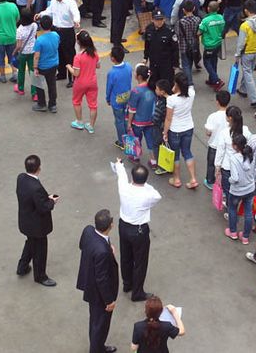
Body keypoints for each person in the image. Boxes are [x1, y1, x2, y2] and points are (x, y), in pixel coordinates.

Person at [112, 159, 161, 302]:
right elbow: (157, 195)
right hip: (139, 230)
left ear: (132, 177)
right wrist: (145, 184)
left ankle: (127, 284)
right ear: (145, 180)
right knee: (140, 261)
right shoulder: (148, 194)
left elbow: (121, 175)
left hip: (124, 226)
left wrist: (119, 164)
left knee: (126, 257)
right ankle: (137, 292)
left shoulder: (124, 188)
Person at [76, 209, 120, 353]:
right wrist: (109, 301)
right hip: (99, 294)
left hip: (89, 285)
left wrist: (107, 249)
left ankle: (99, 347)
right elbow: (102, 278)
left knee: (95, 322)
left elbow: (82, 245)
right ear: (111, 225)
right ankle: (97, 349)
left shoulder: (88, 231)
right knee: (100, 325)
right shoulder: (102, 251)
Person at [16, 154, 58, 286]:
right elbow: (43, 207)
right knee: (40, 250)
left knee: (30, 243)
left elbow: (34, 198)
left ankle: (22, 267)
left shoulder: (21, 178)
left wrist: (45, 197)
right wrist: (52, 201)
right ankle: (40, 276)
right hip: (37, 226)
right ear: (39, 168)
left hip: (26, 221)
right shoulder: (36, 188)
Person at [163, 72, 198, 189]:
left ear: (177, 84)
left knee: (176, 154)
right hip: (188, 127)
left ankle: (176, 179)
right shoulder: (192, 93)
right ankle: (193, 178)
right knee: (187, 152)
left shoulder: (172, 100)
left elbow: (168, 118)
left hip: (175, 130)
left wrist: (165, 132)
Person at [43, 0, 81, 88]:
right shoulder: (54, 0)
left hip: (67, 31)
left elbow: (76, 14)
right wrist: (41, 14)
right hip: (56, 30)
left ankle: (72, 78)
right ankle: (61, 73)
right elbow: (49, 11)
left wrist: (76, 21)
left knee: (69, 55)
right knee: (59, 52)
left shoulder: (70, 3)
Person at [225, 134, 256, 244]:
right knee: (248, 212)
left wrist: (229, 180)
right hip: (250, 189)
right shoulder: (250, 155)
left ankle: (233, 231)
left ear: (235, 146)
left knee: (232, 209)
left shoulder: (234, 159)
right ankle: (245, 237)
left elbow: (235, 177)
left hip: (237, 190)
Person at [69, 31, 101, 133]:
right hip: (92, 82)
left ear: (78, 43)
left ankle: (79, 122)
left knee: (77, 101)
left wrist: (69, 67)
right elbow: (98, 66)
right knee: (93, 105)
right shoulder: (94, 53)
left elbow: (76, 73)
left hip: (80, 83)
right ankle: (91, 126)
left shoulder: (78, 57)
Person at [234, 0, 256, 108]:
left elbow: (241, 43)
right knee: (248, 71)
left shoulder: (245, 26)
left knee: (248, 74)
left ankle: (255, 99)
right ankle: (243, 89)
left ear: (246, 10)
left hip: (247, 52)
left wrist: (237, 55)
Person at [127, 64, 156, 164]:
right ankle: (153, 160)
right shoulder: (152, 88)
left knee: (136, 139)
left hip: (138, 122)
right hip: (150, 120)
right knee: (150, 141)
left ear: (139, 76)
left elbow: (132, 109)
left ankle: (135, 157)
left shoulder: (136, 91)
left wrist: (129, 123)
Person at [32, 15, 61, 114]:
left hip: (42, 66)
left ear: (40, 25)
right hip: (53, 64)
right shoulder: (56, 35)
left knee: (39, 84)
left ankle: (41, 103)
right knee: (52, 84)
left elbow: (36, 56)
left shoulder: (39, 40)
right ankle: (52, 104)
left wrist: (35, 67)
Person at [203, 90, 231, 189]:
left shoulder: (213, 116)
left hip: (214, 145)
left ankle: (210, 181)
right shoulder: (230, 116)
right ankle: (223, 182)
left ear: (217, 102)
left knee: (211, 164)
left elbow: (208, 132)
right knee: (224, 165)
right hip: (226, 145)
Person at [106, 46, 133, 146]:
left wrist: (108, 98)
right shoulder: (128, 66)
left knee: (119, 120)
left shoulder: (112, 73)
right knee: (125, 118)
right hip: (127, 96)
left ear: (113, 58)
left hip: (116, 99)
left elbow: (109, 87)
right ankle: (128, 136)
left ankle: (122, 141)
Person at [143, 8, 178, 85]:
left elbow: (175, 49)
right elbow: (147, 45)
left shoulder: (169, 31)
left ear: (164, 19)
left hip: (166, 64)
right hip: (153, 62)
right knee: (153, 84)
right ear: (152, 19)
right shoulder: (149, 29)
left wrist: (175, 63)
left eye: (161, 19)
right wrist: (145, 57)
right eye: (157, 20)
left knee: (167, 84)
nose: (159, 22)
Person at [198, 1, 225, 90]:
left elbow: (199, 32)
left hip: (209, 45)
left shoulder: (205, 20)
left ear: (208, 9)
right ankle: (212, 80)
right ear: (218, 9)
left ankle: (217, 80)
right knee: (214, 61)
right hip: (218, 43)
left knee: (207, 62)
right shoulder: (221, 18)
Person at [13, 10, 39, 99]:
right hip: (32, 52)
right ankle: (34, 93)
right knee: (33, 71)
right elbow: (35, 36)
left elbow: (19, 45)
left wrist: (14, 52)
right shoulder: (34, 26)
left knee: (21, 71)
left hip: (23, 53)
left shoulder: (19, 29)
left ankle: (20, 89)